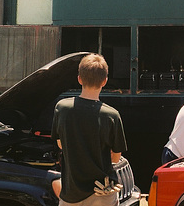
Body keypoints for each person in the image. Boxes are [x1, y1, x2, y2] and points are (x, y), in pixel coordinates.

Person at [51, 53, 127, 206]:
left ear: (79, 79)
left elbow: (60, 144)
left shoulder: (62, 108)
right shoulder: (112, 115)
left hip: (71, 194)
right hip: (102, 192)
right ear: (104, 81)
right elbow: (115, 158)